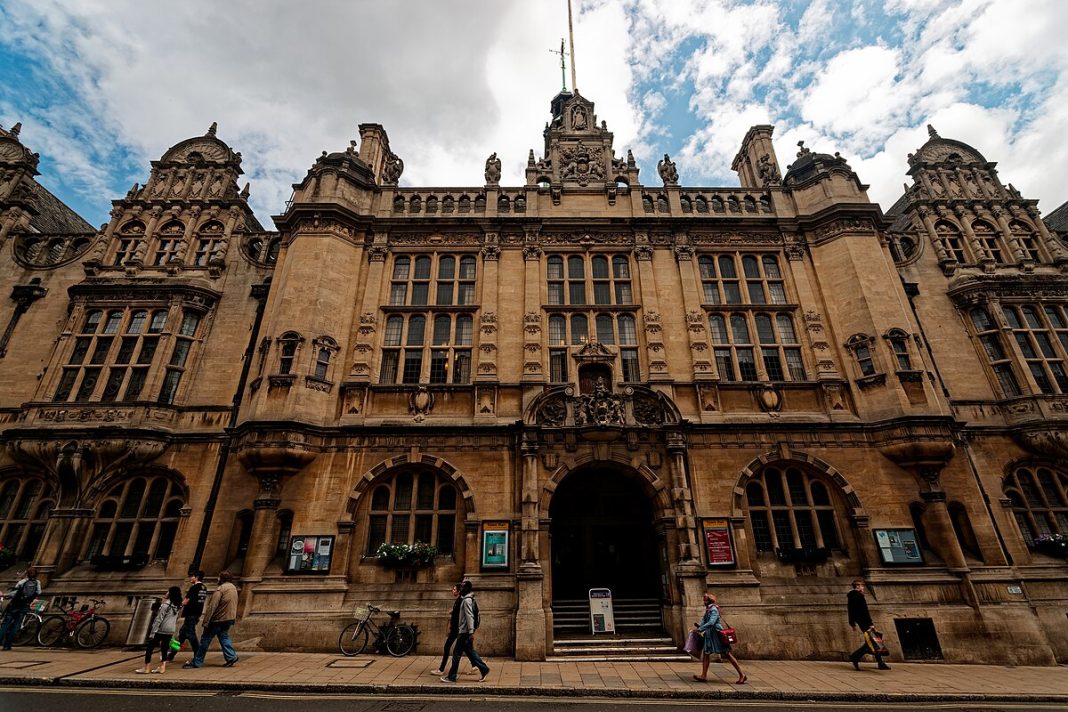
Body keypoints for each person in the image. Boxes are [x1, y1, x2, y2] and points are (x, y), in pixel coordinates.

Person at [183, 571, 238, 669]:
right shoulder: (233, 588)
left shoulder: (220, 589)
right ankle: (231, 656)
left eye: (218, 577)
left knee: (205, 640)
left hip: (216, 619)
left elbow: (212, 606)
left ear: (222, 579)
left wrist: (206, 621)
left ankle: (197, 661)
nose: (217, 579)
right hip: (228, 618)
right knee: (224, 637)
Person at [440, 580, 489, 683]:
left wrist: (471, 632)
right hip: (465, 631)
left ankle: (452, 676)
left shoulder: (466, 601)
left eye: (462, 587)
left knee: (456, 654)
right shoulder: (468, 599)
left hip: (464, 632)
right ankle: (484, 669)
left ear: (466, 589)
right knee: (470, 652)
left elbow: (469, 616)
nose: (460, 589)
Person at [693, 591, 746, 684]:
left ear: (709, 600)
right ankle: (703, 675)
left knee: (727, 654)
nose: (703, 601)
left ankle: (742, 675)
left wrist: (700, 629)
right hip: (710, 635)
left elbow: (711, 622)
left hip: (717, 635)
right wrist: (698, 627)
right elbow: (704, 620)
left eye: (705, 599)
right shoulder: (708, 609)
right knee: (706, 653)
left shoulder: (713, 609)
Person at [136, 586, 182, 674]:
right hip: (171, 629)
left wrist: (153, 632)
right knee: (164, 648)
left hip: (161, 629)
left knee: (150, 648)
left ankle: (146, 667)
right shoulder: (178, 605)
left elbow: (159, 619)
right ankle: (162, 667)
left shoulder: (166, 605)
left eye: (168, 591)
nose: (166, 593)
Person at [847, 579, 890, 670]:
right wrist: (870, 623)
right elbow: (864, 612)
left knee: (873, 641)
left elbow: (851, 611)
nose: (863, 588)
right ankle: (855, 656)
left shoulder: (851, 596)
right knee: (873, 640)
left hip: (860, 622)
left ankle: (880, 663)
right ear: (857, 587)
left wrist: (852, 623)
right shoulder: (859, 596)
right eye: (862, 586)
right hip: (865, 622)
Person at [168, 570, 208, 662]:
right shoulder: (203, 587)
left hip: (190, 614)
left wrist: (179, 606)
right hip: (196, 613)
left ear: (197, 577)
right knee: (181, 635)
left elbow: (186, 600)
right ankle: (171, 655)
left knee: (191, 635)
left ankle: (198, 655)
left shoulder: (194, 588)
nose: (191, 578)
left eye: (192, 576)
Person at [0, 567, 40, 651]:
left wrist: (4, 595)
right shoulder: (37, 582)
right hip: (25, 606)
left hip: (15, 605)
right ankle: (7, 646)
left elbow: (14, 594)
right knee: (16, 626)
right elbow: (38, 592)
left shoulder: (22, 582)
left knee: (5, 624)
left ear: (27, 574)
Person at [432, 583, 463, 676]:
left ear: (459, 591)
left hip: (456, 628)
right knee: (468, 648)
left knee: (447, 647)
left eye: (454, 589)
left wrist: (451, 624)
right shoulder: (459, 601)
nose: (452, 591)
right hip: (457, 628)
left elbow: (458, 616)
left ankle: (441, 669)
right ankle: (478, 666)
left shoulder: (460, 601)